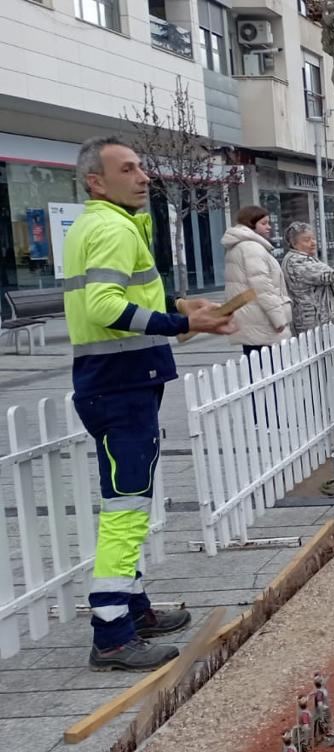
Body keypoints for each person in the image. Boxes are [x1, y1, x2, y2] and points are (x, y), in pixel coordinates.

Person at [64, 136, 235, 671]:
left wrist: (181, 306)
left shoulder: (100, 224)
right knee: (126, 508)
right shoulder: (113, 228)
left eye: (141, 167)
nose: (143, 177)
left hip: (114, 382)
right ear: (96, 181)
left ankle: (133, 609)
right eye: (128, 169)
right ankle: (112, 632)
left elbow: (128, 297)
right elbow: (105, 306)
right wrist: (181, 321)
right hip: (120, 385)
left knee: (129, 502)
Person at [222, 205, 291, 356]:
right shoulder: (252, 248)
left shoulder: (239, 246)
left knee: (255, 363)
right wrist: (278, 318)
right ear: (251, 223)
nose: (269, 227)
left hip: (250, 318)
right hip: (261, 320)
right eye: (264, 223)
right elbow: (263, 288)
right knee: (268, 365)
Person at [283, 221, 334, 336]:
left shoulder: (306, 257)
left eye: (313, 239)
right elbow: (328, 276)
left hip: (320, 318)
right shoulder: (296, 261)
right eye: (306, 240)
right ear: (294, 243)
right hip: (312, 320)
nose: (313, 243)